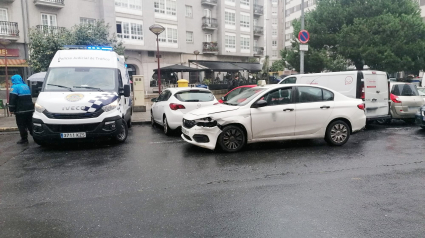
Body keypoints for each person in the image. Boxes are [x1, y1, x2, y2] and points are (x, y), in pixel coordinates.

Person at [9, 74, 34, 144]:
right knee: (30, 123)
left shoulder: (14, 87)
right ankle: (35, 136)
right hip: (29, 109)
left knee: (21, 124)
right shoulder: (26, 86)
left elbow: (12, 99)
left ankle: (24, 139)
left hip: (20, 110)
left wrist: (11, 109)